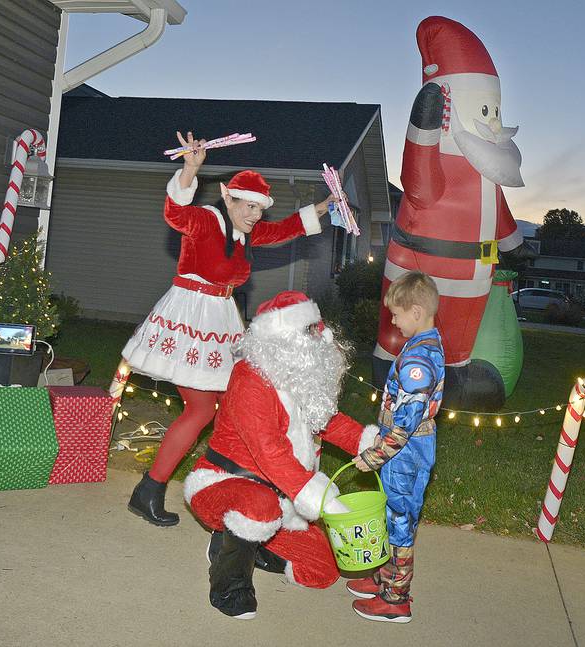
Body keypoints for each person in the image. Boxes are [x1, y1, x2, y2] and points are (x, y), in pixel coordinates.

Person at [122, 131, 339, 526]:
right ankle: (155, 488)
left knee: (228, 407)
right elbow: (175, 215)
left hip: (221, 317)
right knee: (204, 409)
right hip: (190, 318)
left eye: (260, 208)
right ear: (228, 196)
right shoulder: (206, 219)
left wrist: (321, 209)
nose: (256, 215)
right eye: (249, 206)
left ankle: (232, 486)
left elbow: (284, 229)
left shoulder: (246, 232)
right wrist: (189, 171)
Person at [182, 290, 378, 619]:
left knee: (323, 569)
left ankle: (236, 547)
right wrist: (323, 497)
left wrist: (371, 442)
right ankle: (230, 583)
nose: (321, 337)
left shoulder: (301, 377)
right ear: (282, 339)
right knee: (259, 506)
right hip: (223, 483)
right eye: (310, 331)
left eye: (318, 329)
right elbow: (269, 452)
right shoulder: (250, 380)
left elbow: (329, 422)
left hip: (283, 499)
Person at [349, 271, 444, 623]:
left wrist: (375, 455)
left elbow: (405, 423)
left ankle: (396, 599)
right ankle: (386, 578)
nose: (392, 320)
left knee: (400, 523)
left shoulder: (418, 362)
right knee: (393, 519)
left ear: (416, 312)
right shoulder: (424, 344)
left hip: (405, 454)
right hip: (404, 451)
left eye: (397, 314)